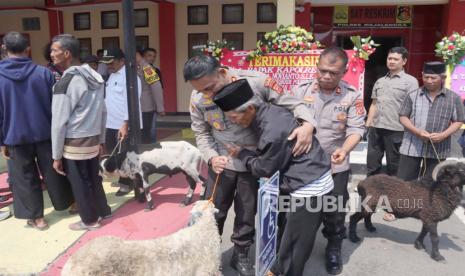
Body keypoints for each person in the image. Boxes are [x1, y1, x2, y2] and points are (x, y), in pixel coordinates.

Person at [184, 55, 315, 276]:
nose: (207, 94)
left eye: (210, 87)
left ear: (222, 72)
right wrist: (211, 157)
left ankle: (240, 254)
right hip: (221, 163)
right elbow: (201, 132)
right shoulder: (198, 97)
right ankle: (208, 255)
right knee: (213, 213)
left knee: (247, 212)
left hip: (254, 162)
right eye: (202, 90)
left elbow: (294, 103)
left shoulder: (256, 82)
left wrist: (308, 125)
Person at [213, 79, 333, 276]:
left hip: (309, 187)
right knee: (286, 232)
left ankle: (285, 272)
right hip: (301, 180)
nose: (233, 121)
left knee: (296, 243)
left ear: (250, 108)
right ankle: (279, 268)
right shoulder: (271, 111)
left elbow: (263, 169)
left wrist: (242, 153)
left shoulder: (271, 131)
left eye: (234, 117)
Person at [292, 46, 365, 275]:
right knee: (298, 211)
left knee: (334, 212)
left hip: (335, 166)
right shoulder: (299, 91)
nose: (326, 76)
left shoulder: (352, 96)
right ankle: (295, 249)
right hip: (302, 166)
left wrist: (344, 149)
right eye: (322, 70)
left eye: (333, 73)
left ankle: (333, 247)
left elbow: (356, 129)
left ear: (343, 72)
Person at [0, 32, 74, 230]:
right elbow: (55, 107)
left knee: (23, 178)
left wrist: (1, 142)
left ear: (4, 48)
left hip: (14, 137)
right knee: (55, 171)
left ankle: (38, 218)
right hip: (45, 134)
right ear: (28, 49)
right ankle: (67, 203)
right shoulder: (44, 73)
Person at [50, 34, 111, 231]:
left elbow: (59, 122)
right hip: (92, 139)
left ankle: (90, 220)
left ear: (67, 54)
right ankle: (103, 210)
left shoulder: (66, 81)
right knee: (93, 177)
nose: (51, 54)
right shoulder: (96, 77)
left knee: (80, 183)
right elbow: (103, 111)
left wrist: (56, 155)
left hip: (74, 142)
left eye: (54, 50)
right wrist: (101, 139)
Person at [365, 47, 419, 221]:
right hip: (376, 129)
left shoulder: (410, 82)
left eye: (396, 59)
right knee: (372, 166)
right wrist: (368, 124)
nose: (391, 61)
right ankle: (368, 201)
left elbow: (414, 108)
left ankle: (392, 208)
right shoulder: (380, 81)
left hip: (397, 130)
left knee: (394, 170)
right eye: (389, 58)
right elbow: (373, 104)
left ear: (404, 61)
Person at [397, 61, 464, 181]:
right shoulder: (413, 95)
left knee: (431, 186)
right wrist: (417, 132)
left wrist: (443, 135)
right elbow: (402, 116)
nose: (429, 80)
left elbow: (459, 120)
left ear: (443, 77)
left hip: (438, 149)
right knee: (405, 184)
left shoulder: (454, 98)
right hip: (411, 147)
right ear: (422, 75)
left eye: (433, 78)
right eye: (425, 77)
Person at [102, 48, 142, 197]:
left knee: (126, 155)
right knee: (115, 153)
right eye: (106, 63)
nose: (108, 66)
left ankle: (129, 184)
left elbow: (132, 102)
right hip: (110, 123)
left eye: (111, 62)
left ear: (122, 60)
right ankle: (125, 179)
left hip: (123, 124)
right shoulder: (112, 76)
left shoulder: (130, 77)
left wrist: (125, 123)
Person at [136, 50, 165, 143]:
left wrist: (160, 108)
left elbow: (157, 87)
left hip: (145, 107)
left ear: (140, 55)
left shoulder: (147, 68)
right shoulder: (133, 67)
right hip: (136, 107)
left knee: (146, 133)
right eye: (149, 55)